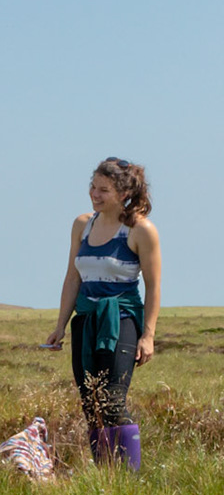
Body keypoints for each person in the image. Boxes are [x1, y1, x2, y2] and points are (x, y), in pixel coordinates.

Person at [45, 159, 161, 470]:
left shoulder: (140, 230)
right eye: (93, 187)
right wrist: (60, 326)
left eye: (104, 190)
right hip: (85, 318)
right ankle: (107, 477)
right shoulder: (83, 224)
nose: (95, 194)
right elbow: (73, 277)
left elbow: (153, 286)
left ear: (124, 192)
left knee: (111, 399)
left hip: (121, 317)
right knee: (90, 402)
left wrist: (148, 335)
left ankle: (128, 480)